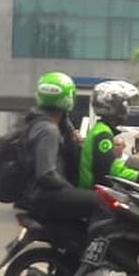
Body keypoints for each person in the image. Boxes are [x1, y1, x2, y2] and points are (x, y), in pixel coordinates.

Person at [21, 72, 101, 224]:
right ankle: (97, 246)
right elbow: (46, 174)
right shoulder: (48, 130)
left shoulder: (41, 123)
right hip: (46, 195)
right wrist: (70, 189)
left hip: (38, 193)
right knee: (102, 202)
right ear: (68, 98)